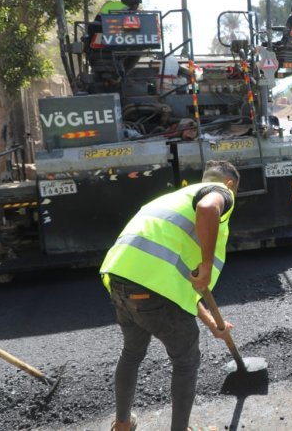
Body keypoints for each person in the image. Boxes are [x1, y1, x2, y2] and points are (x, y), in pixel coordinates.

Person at [101, 160, 240, 431]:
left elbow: (182, 281)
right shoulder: (220, 192)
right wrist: (208, 265)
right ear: (230, 184)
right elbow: (208, 208)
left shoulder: (175, 199)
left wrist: (211, 321)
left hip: (119, 280)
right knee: (187, 359)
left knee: (131, 352)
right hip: (151, 289)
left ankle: (122, 425)